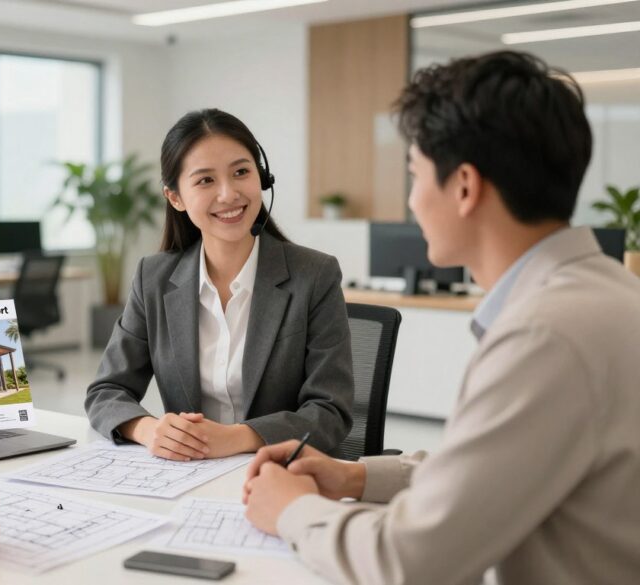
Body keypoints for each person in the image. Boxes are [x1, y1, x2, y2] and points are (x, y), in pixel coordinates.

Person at [244, 51, 640, 584]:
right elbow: (489, 471)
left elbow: (410, 561)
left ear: (465, 186)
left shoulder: (546, 336)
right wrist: (354, 476)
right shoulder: (601, 295)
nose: (411, 200)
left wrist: (290, 509)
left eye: (415, 175)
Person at [86, 109, 354, 461]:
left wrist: (237, 438)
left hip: (283, 473)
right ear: (175, 198)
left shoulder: (314, 275)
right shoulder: (153, 279)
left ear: (262, 178)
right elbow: (106, 390)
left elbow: (331, 411)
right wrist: (149, 429)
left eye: (241, 172)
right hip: (190, 476)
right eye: (205, 181)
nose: (228, 194)